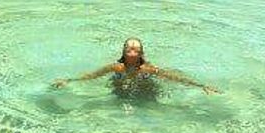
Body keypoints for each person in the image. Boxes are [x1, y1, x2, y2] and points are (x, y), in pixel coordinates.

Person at [53, 38, 219, 94]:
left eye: (135, 47)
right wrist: (69, 80)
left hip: (145, 85)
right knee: (118, 89)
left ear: (141, 54)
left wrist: (201, 86)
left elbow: (173, 77)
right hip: (122, 83)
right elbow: (91, 76)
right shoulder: (116, 67)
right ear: (123, 52)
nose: (132, 48)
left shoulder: (147, 68)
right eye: (129, 47)